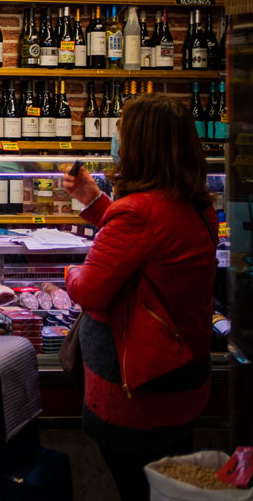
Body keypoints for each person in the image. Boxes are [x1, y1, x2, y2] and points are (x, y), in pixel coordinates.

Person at [62, 93, 217, 501]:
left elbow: (90, 290)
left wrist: (69, 271)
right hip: (183, 381)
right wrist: (95, 202)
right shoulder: (197, 205)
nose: (115, 143)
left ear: (139, 147)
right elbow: (146, 244)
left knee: (138, 489)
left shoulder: (138, 213)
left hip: (138, 395)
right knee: (166, 488)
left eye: (120, 134)